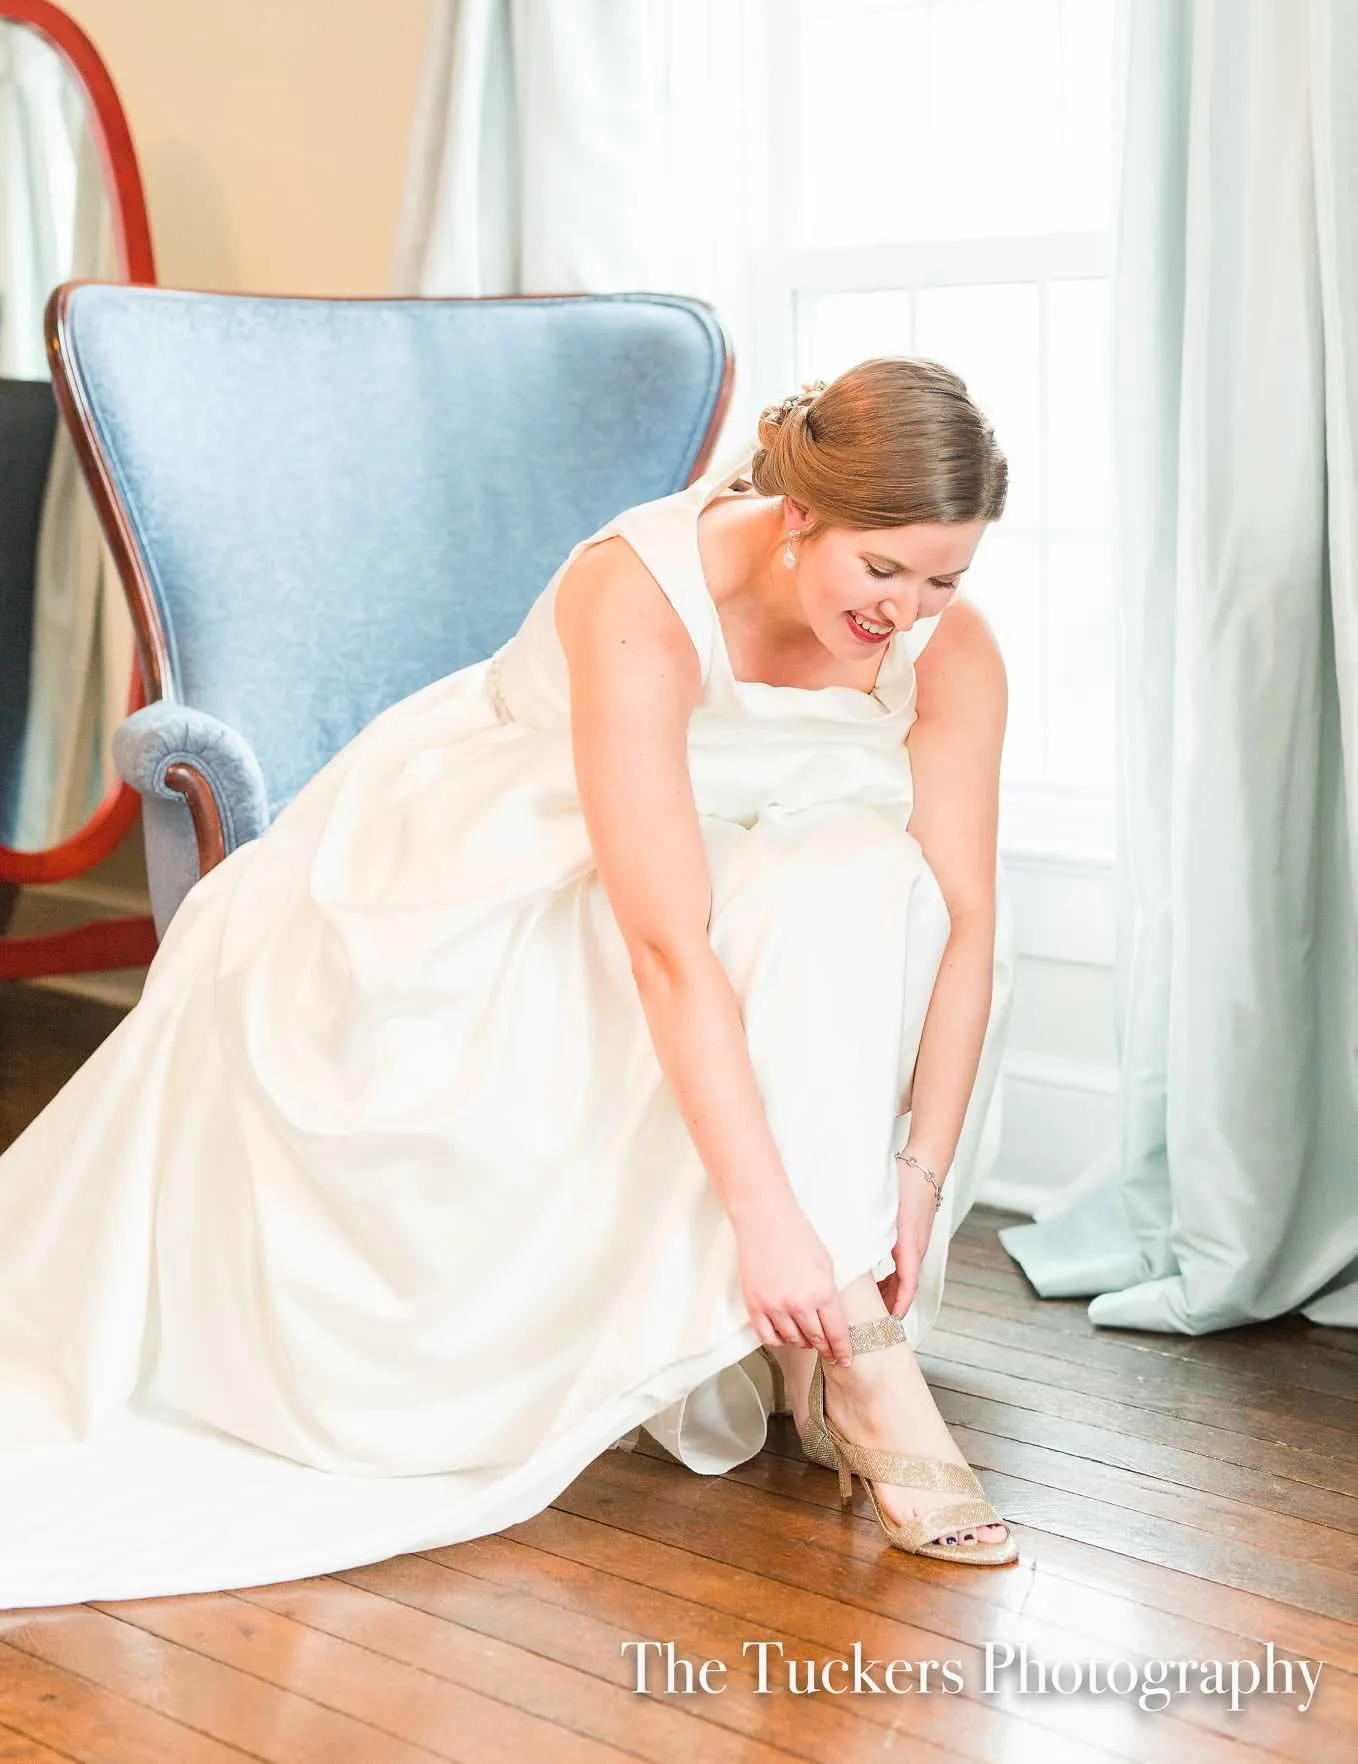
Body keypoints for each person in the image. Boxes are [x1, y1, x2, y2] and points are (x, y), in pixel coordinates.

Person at [0, 354, 1017, 1609]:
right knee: (779, 898)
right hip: (518, 868)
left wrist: (911, 1178)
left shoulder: (948, 650)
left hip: (761, 896)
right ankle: (857, 1356)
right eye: (883, 569)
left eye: (944, 577)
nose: (908, 611)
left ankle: (843, 1308)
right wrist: (767, 1219)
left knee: (858, 873)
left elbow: (966, 919)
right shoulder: (638, 593)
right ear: (799, 512)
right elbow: (664, 938)